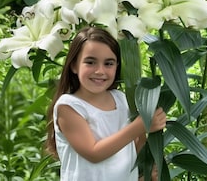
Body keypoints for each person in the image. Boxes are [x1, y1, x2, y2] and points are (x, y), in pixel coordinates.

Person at [45, 26, 166, 181]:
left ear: (117, 66)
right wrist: (140, 126)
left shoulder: (122, 99)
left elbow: (128, 152)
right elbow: (94, 153)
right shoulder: (68, 106)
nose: (100, 71)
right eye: (90, 62)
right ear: (74, 65)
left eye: (109, 63)